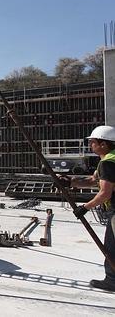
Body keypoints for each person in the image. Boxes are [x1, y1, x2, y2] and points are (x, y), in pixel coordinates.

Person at [60, 125, 115, 292]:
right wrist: (71, 181)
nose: (91, 145)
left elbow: (105, 193)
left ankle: (112, 281)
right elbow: (93, 180)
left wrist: (84, 207)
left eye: (93, 142)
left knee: (111, 247)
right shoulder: (111, 159)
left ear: (103, 144)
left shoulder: (108, 163)